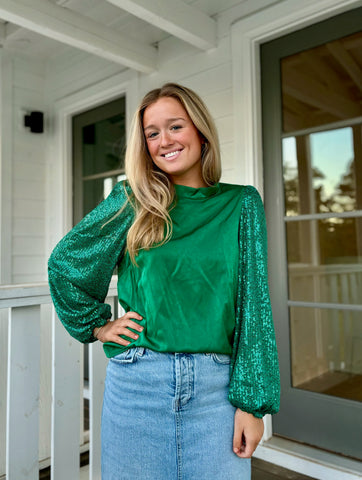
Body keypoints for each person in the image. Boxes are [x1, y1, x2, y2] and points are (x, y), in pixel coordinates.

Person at [48, 82, 280, 480]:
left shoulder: (241, 204)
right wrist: (98, 325)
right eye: (152, 133)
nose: (163, 141)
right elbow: (66, 264)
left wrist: (252, 405)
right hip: (139, 383)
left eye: (175, 126)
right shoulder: (132, 201)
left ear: (200, 131)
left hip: (216, 390)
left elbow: (253, 304)